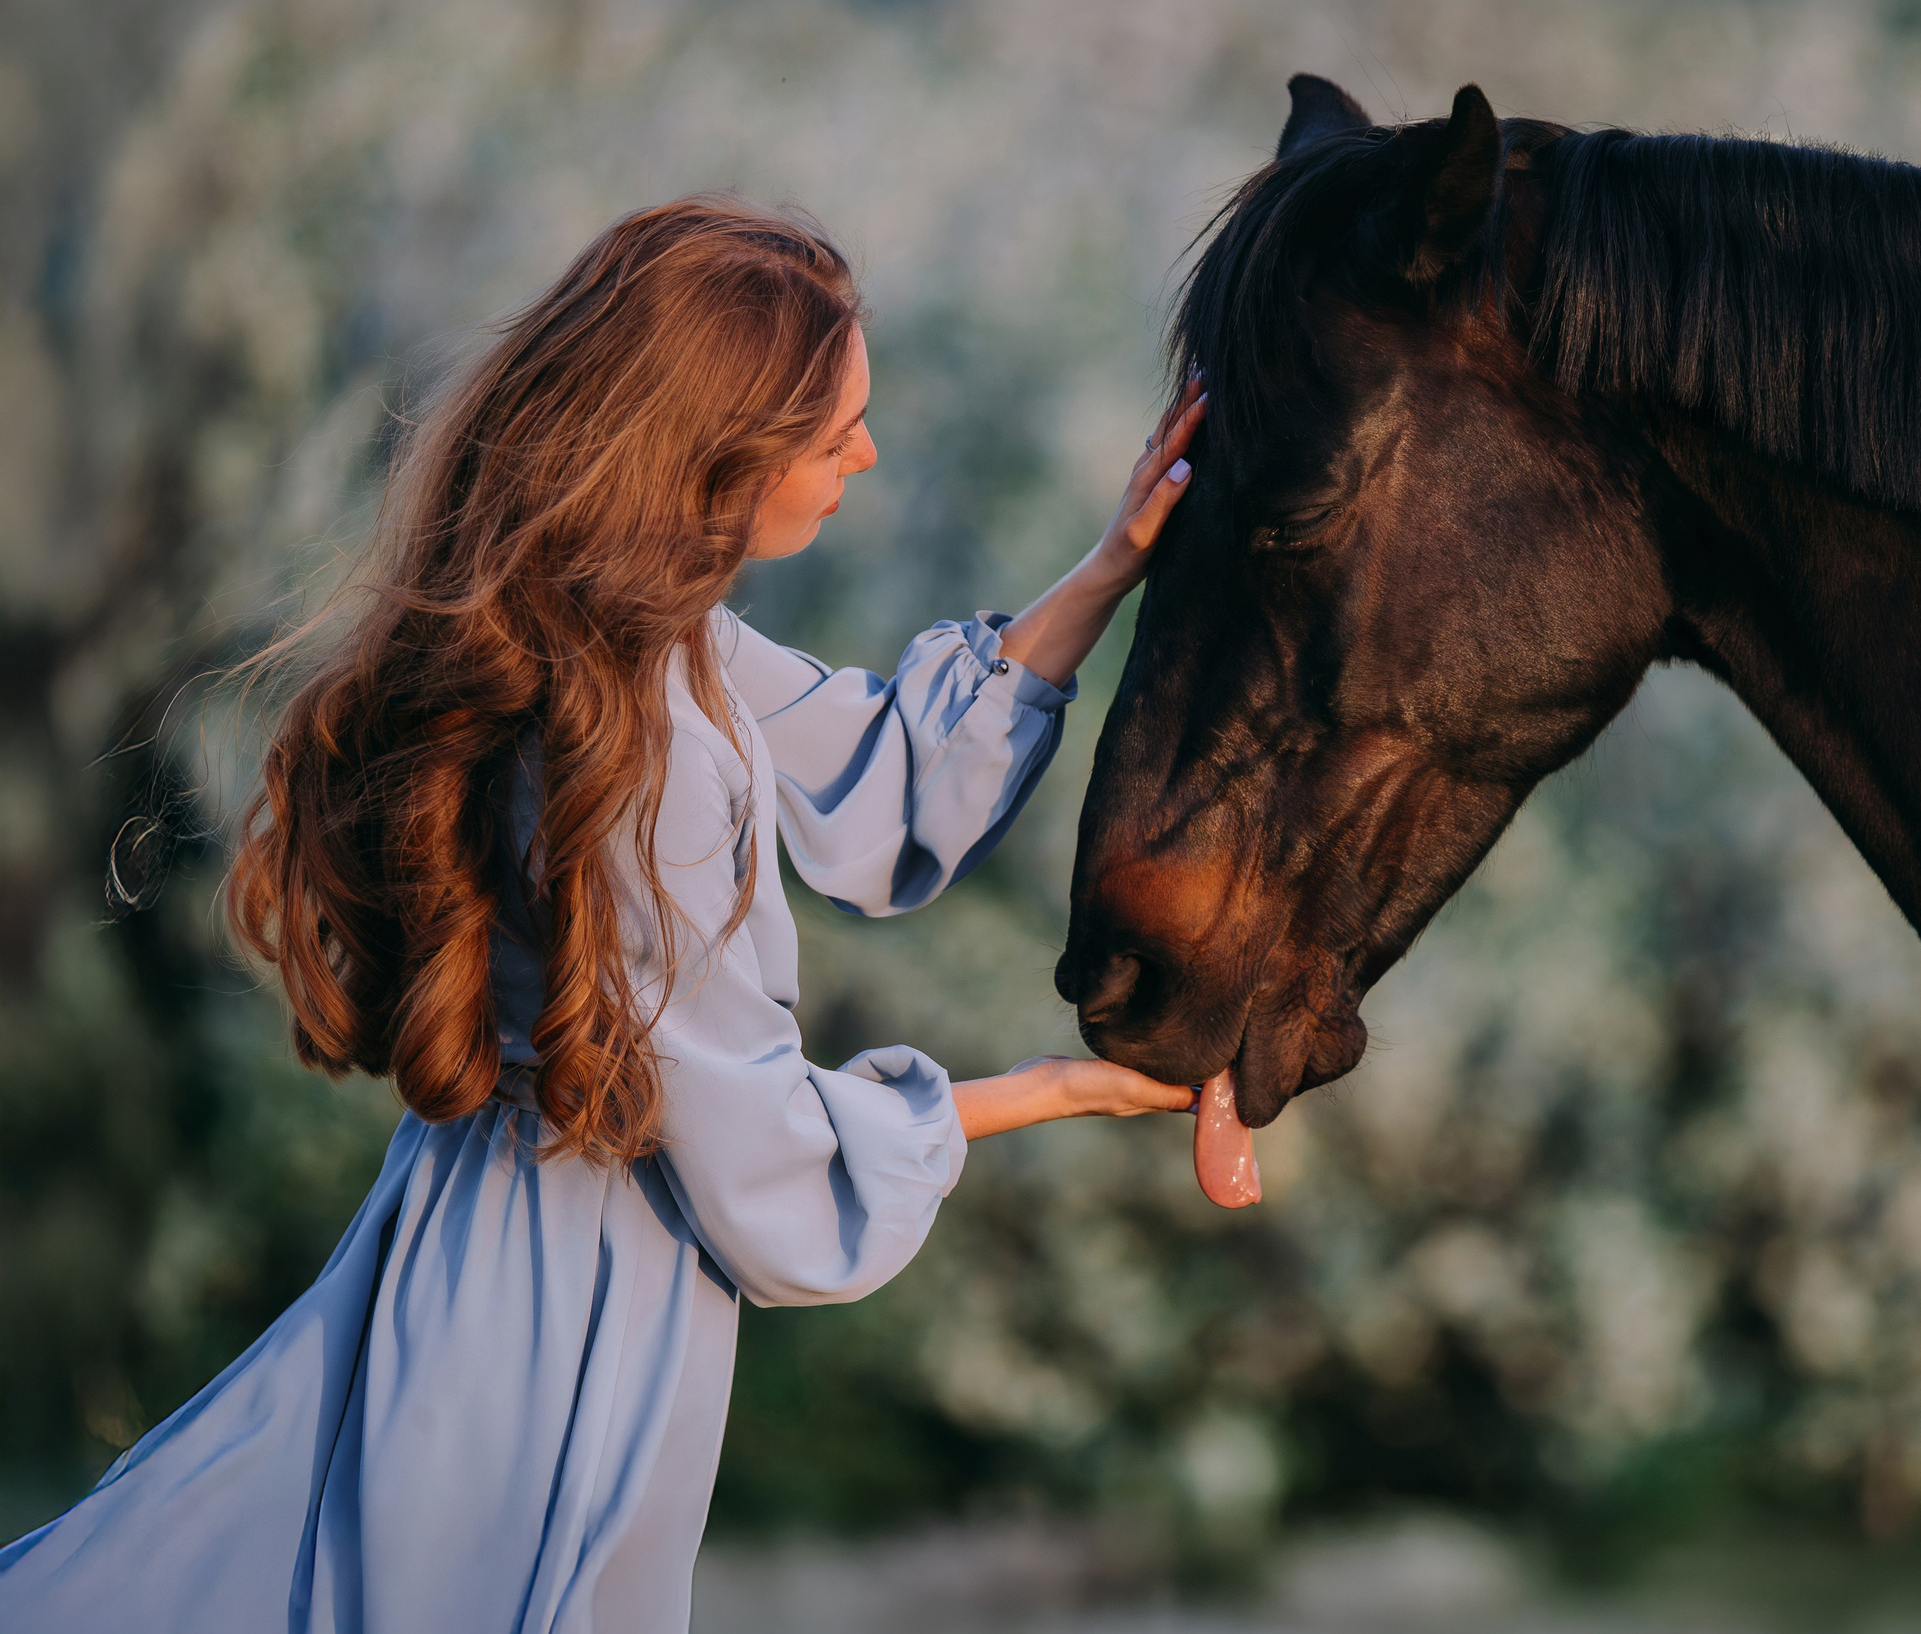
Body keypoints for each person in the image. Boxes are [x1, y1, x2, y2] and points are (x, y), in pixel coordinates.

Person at [0, 195, 1207, 1632]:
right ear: (717, 458)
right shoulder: (652, 755)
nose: (866, 457)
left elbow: (879, 775)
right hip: (559, 1305)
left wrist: (1109, 570)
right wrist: (1053, 1092)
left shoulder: (633, 648)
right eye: (833, 437)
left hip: (488, 1242)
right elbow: (754, 1152)